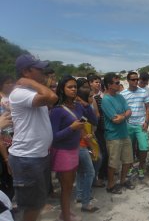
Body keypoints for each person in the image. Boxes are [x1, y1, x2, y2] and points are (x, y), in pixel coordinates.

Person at [8, 54, 58, 221]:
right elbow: (53, 98)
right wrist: (31, 82)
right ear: (25, 72)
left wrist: (35, 84)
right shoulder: (20, 92)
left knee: (38, 202)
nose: (43, 71)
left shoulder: (32, 91)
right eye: (39, 69)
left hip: (38, 155)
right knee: (31, 206)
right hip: (27, 158)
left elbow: (50, 102)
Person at [50, 75, 97, 221]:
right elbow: (53, 137)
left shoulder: (77, 106)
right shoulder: (57, 110)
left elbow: (94, 120)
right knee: (67, 187)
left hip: (74, 149)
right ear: (62, 90)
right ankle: (65, 216)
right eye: (69, 87)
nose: (73, 89)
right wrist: (72, 128)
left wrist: (86, 104)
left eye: (75, 87)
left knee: (69, 186)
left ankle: (65, 212)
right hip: (62, 151)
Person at [101, 73, 134, 194]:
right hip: (113, 136)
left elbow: (129, 111)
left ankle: (123, 181)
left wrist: (123, 115)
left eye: (119, 82)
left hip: (124, 133)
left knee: (127, 160)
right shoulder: (106, 100)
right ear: (109, 85)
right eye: (116, 82)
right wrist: (125, 115)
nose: (119, 84)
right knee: (113, 163)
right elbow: (115, 119)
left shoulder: (120, 97)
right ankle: (110, 185)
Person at [120, 71, 149, 180]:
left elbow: (148, 107)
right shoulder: (123, 94)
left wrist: (147, 121)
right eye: (133, 79)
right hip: (128, 125)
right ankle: (130, 166)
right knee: (130, 148)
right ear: (128, 81)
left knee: (144, 147)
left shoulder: (143, 92)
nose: (136, 81)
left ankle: (141, 167)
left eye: (137, 79)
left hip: (141, 124)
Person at [75, 86, 99, 213]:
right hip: (82, 144)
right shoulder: (82, 108)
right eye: (89, 96)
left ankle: (79, 195)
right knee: (90, 172)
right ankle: (85, 201)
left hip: (81, 144)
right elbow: (92, 121)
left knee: (81, 171)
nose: (92, 98)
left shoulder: (81, 107)